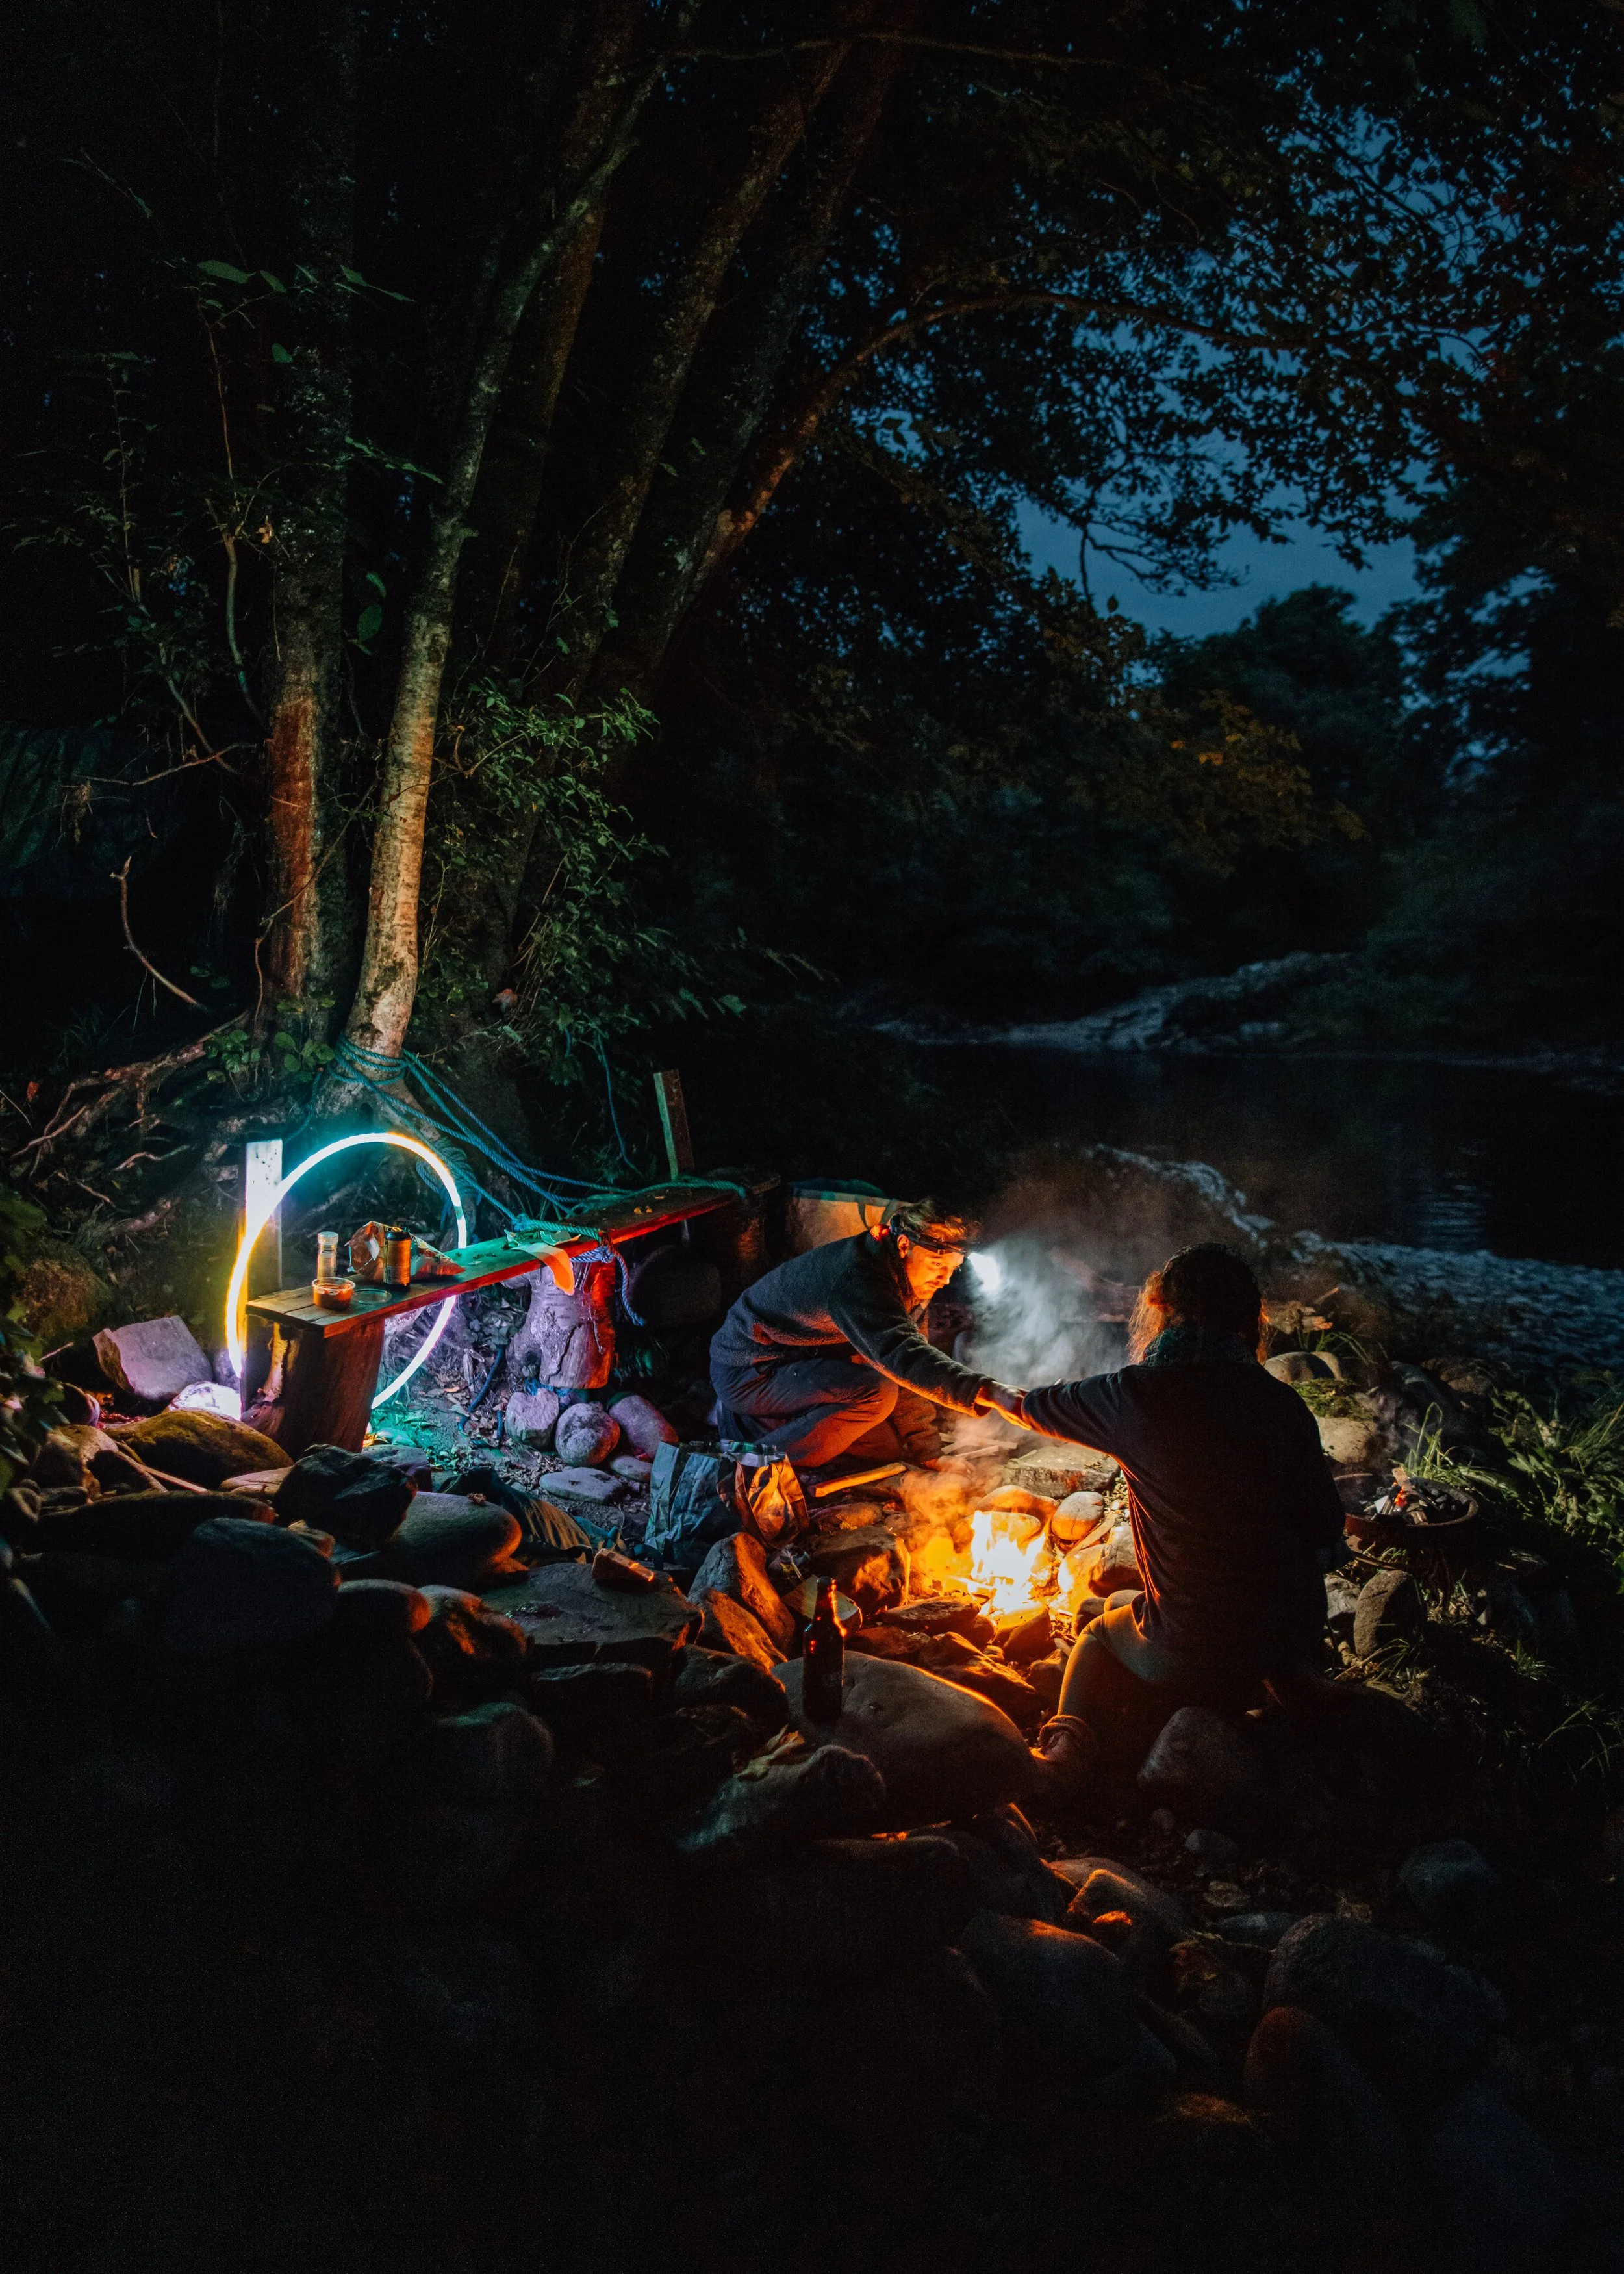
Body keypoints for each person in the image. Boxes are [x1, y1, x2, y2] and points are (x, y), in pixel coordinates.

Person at [987, 1242, 1348, 1783]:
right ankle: (1292, 1696)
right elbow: (1327, 1532)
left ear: (1162, 1308)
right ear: (1252, 1319)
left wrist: (971, 1388)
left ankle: (1064, 1760)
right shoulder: (1282, 1405)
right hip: (1291, 1635)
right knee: (1123, 1602)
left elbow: (1025, 1404)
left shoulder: (1133, 1395)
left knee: (1096, 1633)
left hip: (1195, 1651)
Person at [709, 1199, 1018, 1477]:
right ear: (902, 1246)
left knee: (884, 1449)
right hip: (750, 1371)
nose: (945, 1279)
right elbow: (904, 1358)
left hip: (801, 1364)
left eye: (953, 1269)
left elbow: (907, 1372)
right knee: (877, 1394)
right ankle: (746, 1467)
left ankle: (763, 1427)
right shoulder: (859, 1279)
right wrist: (985, 1391)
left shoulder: (906, 1284)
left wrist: (929, 1453)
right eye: (937, 1265)